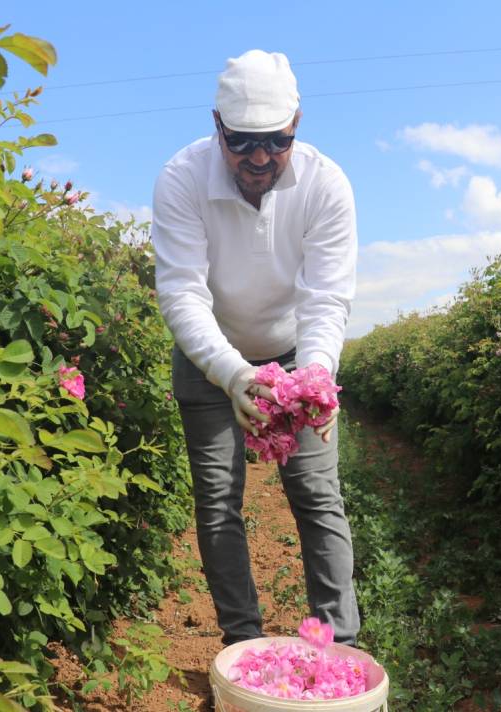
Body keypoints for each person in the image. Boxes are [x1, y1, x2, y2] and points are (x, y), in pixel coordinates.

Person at [150, 49, 360, 647]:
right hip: (209, 353)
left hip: (294, 352)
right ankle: (241, 644)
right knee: (218, 504)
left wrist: (315, 378)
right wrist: (232, 374)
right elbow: (182, 293)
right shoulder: (182, 178)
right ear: (218, 126)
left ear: (297, 123)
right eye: (242, 142)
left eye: (276, 140)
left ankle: (336, 647)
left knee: (318, 495)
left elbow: (325, 299)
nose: (260, 157)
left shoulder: (326, 184)